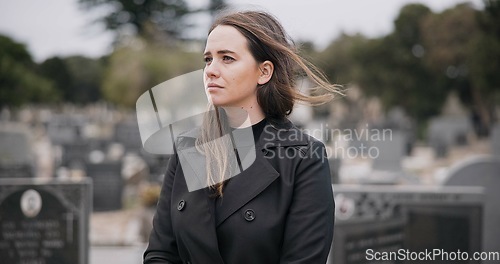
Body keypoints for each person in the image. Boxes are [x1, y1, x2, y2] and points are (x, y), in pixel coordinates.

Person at [144, 9, 341, 264]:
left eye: (227, 58)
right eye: (208, 59)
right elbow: (160, 254)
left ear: (264, 72)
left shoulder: (304, 158)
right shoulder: (188, 149)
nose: (211, 71)